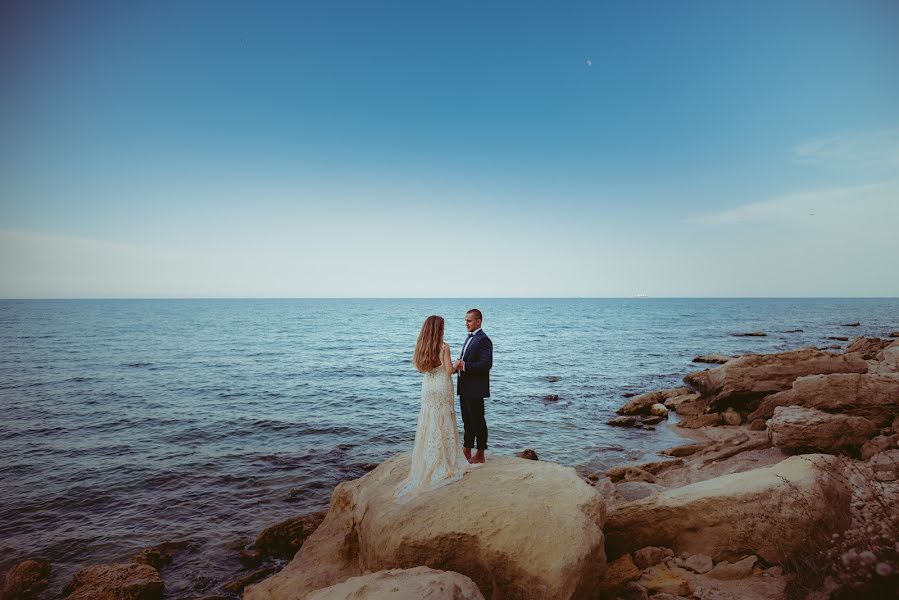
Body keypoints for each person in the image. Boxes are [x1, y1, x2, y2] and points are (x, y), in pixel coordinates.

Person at [394, 315, 471, 502]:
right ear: (439, 329)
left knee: (430, 420)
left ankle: (429, 458)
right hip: (442, 386)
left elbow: (423, 369)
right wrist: (458, 364)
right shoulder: (444, 346)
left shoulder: (422, 345)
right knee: (444, 418)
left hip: (428, 387)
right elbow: (449, 371)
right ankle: (445, 459)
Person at [454, 308, 492, 464]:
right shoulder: (470, 337)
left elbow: (486, 364)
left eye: (469, 321)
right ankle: (467, 449)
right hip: (464, 387)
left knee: (477, 421)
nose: (466, 323)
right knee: (467, 420)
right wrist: (458, 365)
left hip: (475, 389)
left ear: (478, 321)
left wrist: (464, 365)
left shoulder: (483, 339)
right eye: (465, 320)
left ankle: (480, 454)